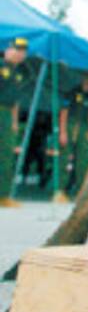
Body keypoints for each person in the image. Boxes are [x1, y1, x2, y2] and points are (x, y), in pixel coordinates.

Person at [58, 73, 88, 199]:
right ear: (82, 78)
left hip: (84, 128)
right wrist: (62, 131)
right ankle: (60, 191)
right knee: (65, 159)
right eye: (86, 77)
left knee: (84, 160)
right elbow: (64, 112)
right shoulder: (72, 92)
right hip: (70, 125)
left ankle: (82, 192)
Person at [0, 37, 30, 206]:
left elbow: (15, 101)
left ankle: (3, 195)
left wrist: (14, 122)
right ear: (7, 50)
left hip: (7, 115)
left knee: (6, 154)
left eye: (23, 52)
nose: (20, 54)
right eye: (17, 50)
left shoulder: (19, 74)